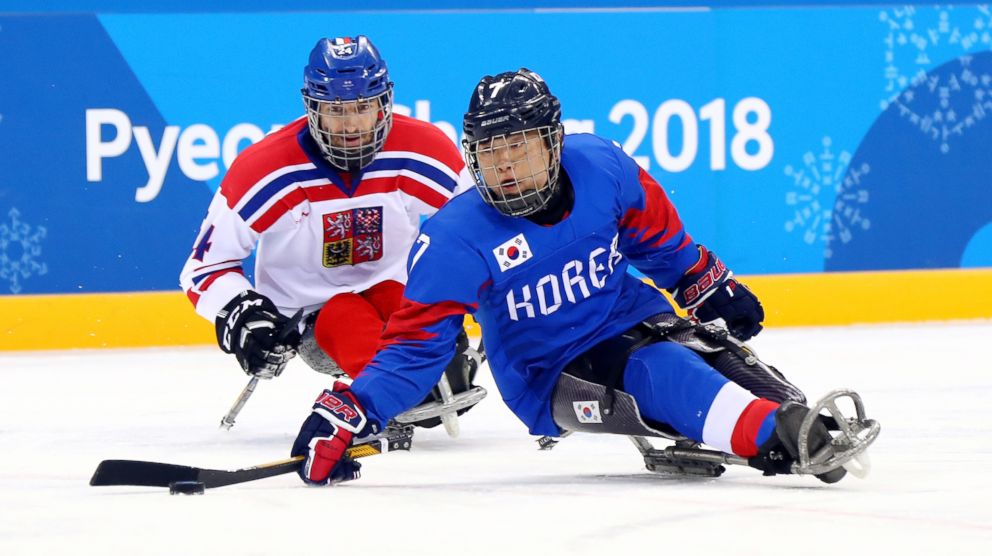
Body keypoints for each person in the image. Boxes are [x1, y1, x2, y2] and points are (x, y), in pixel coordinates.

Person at [290, 68, 876, 486]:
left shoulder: (603, 166)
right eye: (489, 152)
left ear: (553, 141)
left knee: (715, 350)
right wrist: (352, 409)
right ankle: (772, 432)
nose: (505, 167)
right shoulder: (454, 238)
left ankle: (785, 415)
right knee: (663, 368)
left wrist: (708, 284)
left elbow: (661, 242)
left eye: (518, 146)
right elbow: (415, 349)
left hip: (631, 316)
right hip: (550, 371)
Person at [179, 36, 480, 426]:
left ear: (384, 103)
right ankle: (390, 388)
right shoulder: (265, 169)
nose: (351, 124)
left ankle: (406, 379)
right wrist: (243, 313)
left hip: (395, 297)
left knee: (423, 339)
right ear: (311, 108)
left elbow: (476, 233)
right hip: (309, 316)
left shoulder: (422, 150)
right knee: (345, 316)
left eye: (363, 107)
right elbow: (203, 268)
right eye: (336, 110)